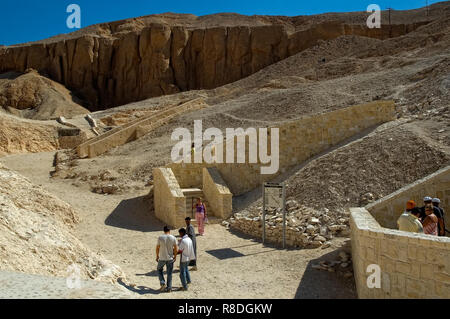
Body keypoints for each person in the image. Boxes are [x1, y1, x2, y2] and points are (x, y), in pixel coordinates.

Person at [156, 226, 178, 293]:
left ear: (164, 230)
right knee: (169, 273)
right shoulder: (173, 237)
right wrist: (175, 256)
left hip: (162, 257)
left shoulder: (160, 237)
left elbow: (157, 248)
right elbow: (176, 248)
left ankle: (162, 283)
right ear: (169, 230)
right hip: (170, 258)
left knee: (159, 269)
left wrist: (157, 256)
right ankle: (169, 288)